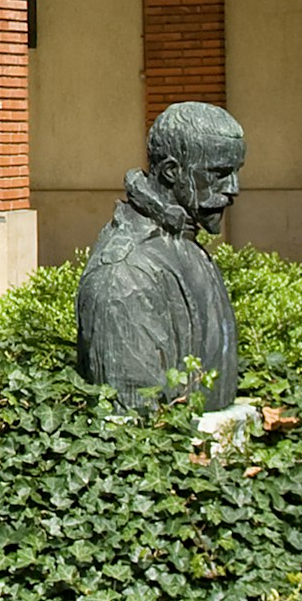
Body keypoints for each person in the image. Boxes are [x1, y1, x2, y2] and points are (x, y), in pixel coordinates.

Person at [76, 102, 245, 409]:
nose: (234, 189)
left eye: (235, 173)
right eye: (219, 174)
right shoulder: (125, 274)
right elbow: (134, 414)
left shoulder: (183, 242)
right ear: (171, 172)